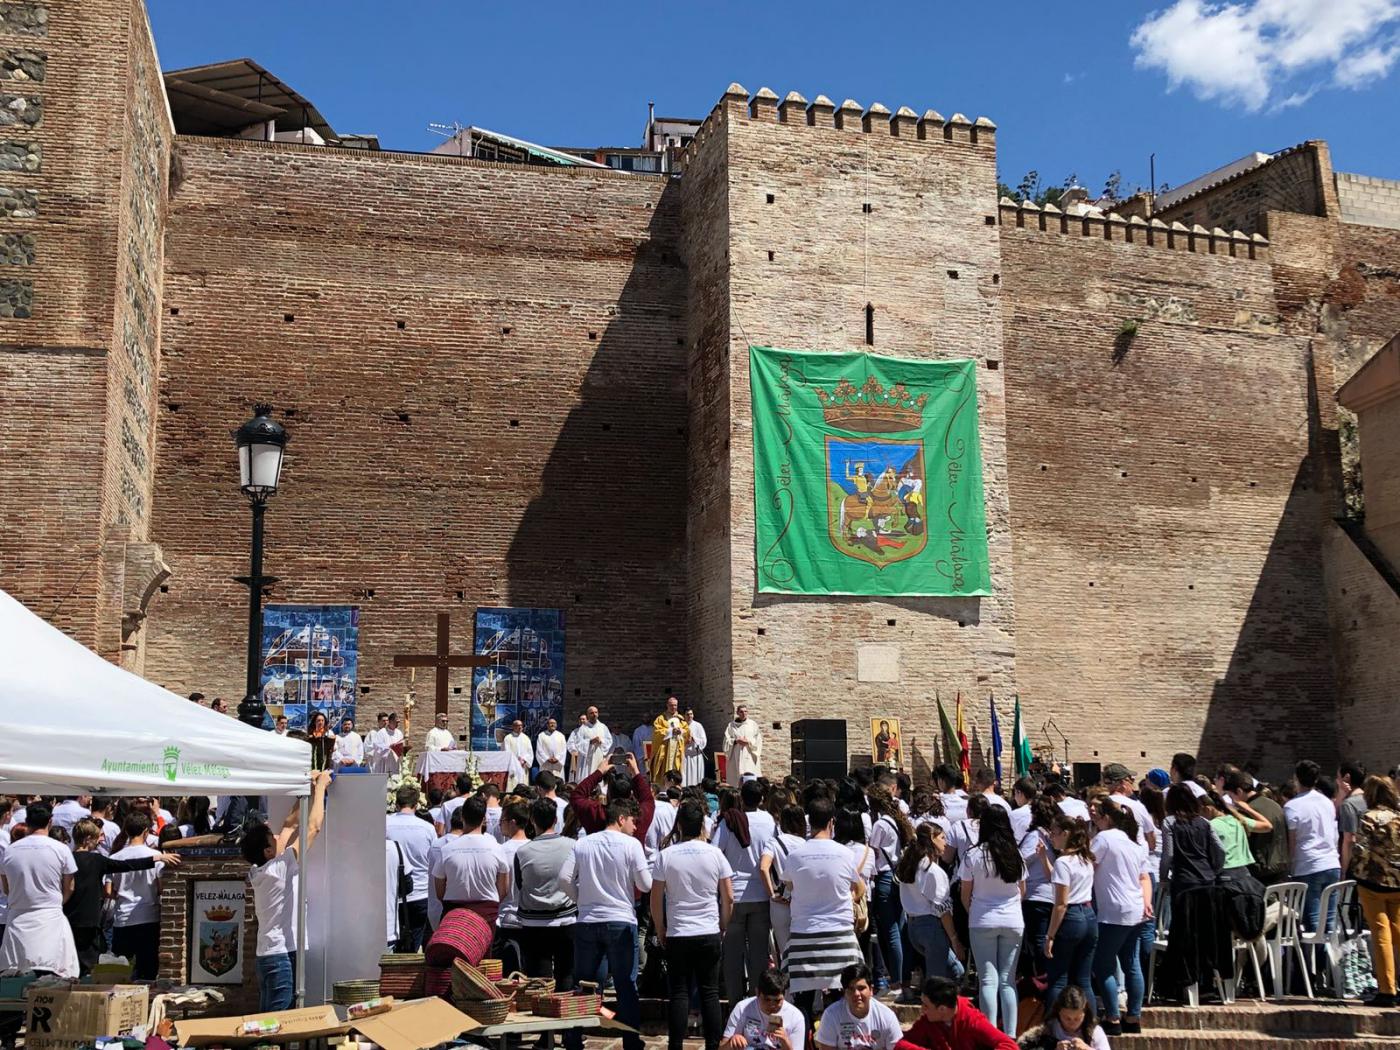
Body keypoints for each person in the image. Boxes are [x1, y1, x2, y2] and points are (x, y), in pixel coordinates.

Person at [560, 797, 652, 1050]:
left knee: (585, 984)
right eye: (633, 821)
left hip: (588, 920)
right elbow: (645, 884)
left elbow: (564, 878)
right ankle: (630, 1039)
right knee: (625, 984)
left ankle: (573, 1036)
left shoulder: (584, 843)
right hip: (620, 920)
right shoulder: (631, 845)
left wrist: (581, 900)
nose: (635, 827)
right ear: (621, 819)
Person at [240, 771, 331, 1011]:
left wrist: (306, 791)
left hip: (270, 953)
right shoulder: (278, 869)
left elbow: (290, 824)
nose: (279, 836)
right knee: (278, 1024)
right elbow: (313, 829)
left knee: (267, 1022)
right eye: (273, 838)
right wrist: (321, 787)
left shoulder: (260, 869)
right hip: (280, 955)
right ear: (268, 852)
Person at [651, 800, 735, 1050]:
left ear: (679, 825)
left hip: (679, 931)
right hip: (708, 930)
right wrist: (722, 924)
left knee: (678, 992)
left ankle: (675, 1045)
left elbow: (656, 899)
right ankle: (712, 1045)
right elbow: (728, 896)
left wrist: (660, 927)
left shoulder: (666, 855)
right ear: (702, 825)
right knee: (709, 992)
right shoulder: (715, 853)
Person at [66, 819, 180, 977]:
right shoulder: (97, 860)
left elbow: (108, 889)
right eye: (97, 837)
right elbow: (128, 865)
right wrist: (157, 858)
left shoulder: (66, 859)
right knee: (144, 970)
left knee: (113, 969)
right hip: (103, 920)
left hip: (75, 919)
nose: (100, 841)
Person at [782, 798, 863, 1005]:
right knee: (840, 1001)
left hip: (804, 935)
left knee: (802, 1004)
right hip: (840, 936)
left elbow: (789, 886)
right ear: (832, 822)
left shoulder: (795, 856)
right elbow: (859, 886)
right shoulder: (846, 854)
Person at [958, 805, 1025, 1036]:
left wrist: (974, 910)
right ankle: (1011, 1035)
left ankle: (988, 1034)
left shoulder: (973, 855)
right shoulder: (1016, 854)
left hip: (982, 919)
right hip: (1013, 919)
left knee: (988, 979)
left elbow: (965, 893)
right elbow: (1021, 890)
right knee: (1008, 980)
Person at [1089, 798, 1150, 1036]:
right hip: (1135, 910)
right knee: (1131, 963)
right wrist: (1147, 902)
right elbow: (1144, 877)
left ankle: (1113, 1017)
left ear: (1106, 818)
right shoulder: (1134, 844)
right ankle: (1134, 1016)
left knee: (1103, 965)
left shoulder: (1103, 839)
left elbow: (1087, 865)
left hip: (1113, 911)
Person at [1160, 783, 1226, 1000]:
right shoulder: (1205, 823)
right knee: (1207, 934)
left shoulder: (1170, 822)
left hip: (1184, 884)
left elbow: (1168, 854)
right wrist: (1213, 870)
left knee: (1184, 935)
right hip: (1207, 883)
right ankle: (1208, 984)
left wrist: (1163, 877)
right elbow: (1220, 850)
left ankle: (1183, 984)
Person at [716, 778, 777, 1002]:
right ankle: (756, 1002)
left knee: (732, 955)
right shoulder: (769, 821)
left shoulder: (729, 821)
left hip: (734, 893)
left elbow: (715, 850)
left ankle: (735, 1004)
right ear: (762, 799)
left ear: (742, 798)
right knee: (759, 955)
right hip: (761, 893)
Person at [0, 803, 79, 977]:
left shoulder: (10, 851)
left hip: (18, 919)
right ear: (50, 822)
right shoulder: (61, 849)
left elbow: (6, 888)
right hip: (50, 917)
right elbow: (70, 886)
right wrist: (57, 902)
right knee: (55, 978)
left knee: (14, 980)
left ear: (27, 822)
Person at [514, 796, 578, 983]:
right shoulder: (572, 846)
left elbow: (520, 884)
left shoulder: (523, 852)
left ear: (532, 821)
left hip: (534, 923)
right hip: (565, 920)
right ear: (556, 820)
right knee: (566, 975)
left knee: (539, 980)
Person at [1351, 775, 1400, 1007]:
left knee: (1381, 935)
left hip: (1373, 883)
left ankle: (1387, 990)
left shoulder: (1369, 819)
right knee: (1399, 934)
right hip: (1398, 883)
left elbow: (1360, 850)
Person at [897, 823, 963, 983]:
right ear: (932, 839)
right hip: (931, 927)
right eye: (942, 838)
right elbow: (943, 909)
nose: (946, 842)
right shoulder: (931, 870)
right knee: (936, 982)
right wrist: (954, 939)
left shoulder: (911, 865)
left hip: (914, 927)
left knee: (956, 971)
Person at [1044, 813, 1096, 1013]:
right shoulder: (1085, 858)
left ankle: (1052, 1026)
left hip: (1071, 917)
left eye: (1054, 833)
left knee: (1058, 979)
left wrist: (1050, 935)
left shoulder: (1063, 862)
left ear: (1065, 834)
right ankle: (1090, 1024)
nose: (1051, 837)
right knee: (1083, 979)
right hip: (1089, 914)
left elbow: (1061, 903)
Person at [867, 783, 915, 996]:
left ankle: (895, 981)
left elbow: (873, 853)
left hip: (885, 878)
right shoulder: (896, 820)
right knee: (900, 927)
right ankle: (904, 979)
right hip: (897, 877)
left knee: (891, 931)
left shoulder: (880, 825)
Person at [1284, 759, 1341, 934]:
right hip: (1331, 863)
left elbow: (1292, 844)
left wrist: (1289, 869)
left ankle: (1316, 961)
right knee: (1329, 924)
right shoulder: (1327, 802)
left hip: (1308, 866)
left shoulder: (1291, 807)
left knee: (1313, 924)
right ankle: (1328, 960)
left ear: (1296, 778)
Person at [109, 812, 167, 979]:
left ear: (126, 831)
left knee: (121, 971)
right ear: (146, 831)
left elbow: (108, 891)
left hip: (122, 919)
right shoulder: (156, 857)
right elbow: (160, 888)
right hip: (149, 918)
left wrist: (121, 894)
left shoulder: (115, 858)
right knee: (147, 971)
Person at [890, 975, 1017, 1050]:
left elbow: (1009, 1045)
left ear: (942, 1009)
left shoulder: (972, 1020)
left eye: (926, 1005)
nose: (922, 1009)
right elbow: (902, 1045)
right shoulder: (928, 1020)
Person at [434, 796, 505, 926]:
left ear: (462, 818)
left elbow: (439, 891)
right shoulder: (498, 849)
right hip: (486, 913)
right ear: (483, 820)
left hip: (454, 913)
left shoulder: (446, 850)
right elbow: (503, 889)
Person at [385, 784, 436, 950]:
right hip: (420, 895)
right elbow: (433, 861)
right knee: (412, 946)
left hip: (391, 894)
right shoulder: (428, 829)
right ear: (416, 805)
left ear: (397, 804)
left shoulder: (384, 824)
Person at [814, 963, 903, 1050]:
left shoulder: (887, 1016)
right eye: (851, 989)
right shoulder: (831, 1015)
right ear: (844, 993)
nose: (856, 994)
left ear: (871, 990)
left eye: (861, 988)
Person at [760, 802, 808, 961]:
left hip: (780, 904)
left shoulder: (774, 842)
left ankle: (787, 984)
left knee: (785, 954)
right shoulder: (806, 844)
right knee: (802, 953)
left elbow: (763, 867)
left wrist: (772, 893)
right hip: (801, 902)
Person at [721, 968, 806, 1050]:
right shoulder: (742, 1008)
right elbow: (721, 1048)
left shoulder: (795, 1016)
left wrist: (785, 1042)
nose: (772, 1005)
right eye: (767, 999)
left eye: (777, 1000)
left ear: (784, 996)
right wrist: (732, 1042)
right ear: (757, 992)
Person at [494, 799, 529, 969]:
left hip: (505, 917)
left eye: (502, 821)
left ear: (513, 822)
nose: (500, 825)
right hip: (530, 917)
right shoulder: (533, 848)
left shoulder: (501, 850)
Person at [1026, 986, 1110, 1050]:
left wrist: (1087, 1048)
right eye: (1067, 1018)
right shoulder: (1048, 1029)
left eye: (1077, 1019)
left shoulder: (1094, 1031)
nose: (1072, 1023)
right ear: (1058, 1012)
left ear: (1085, 1013)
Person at [1337, 759, 1369, 876]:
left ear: (1346, 778)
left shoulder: (1349, 804)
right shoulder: (1370, 799)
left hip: (1356, 864)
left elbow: (1349, 839)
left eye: (1338, 777)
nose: (1337, 781)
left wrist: (1344, 872)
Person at [649, 696, 690, 782]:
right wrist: (671, 731)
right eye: (671, 705)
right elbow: (657, 732)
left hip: (677, 750)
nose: (673, 707)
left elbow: (687, 732)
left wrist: (681, 731)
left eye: (675, 705)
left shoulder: (681, 719)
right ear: (667, 705)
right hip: (665, 750)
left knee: (677, 768)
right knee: (665, 770)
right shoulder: (661, 719)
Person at [723, 705, 763, 785]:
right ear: (737, 712)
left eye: (745, 711)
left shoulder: (752, 724)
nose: (744, 713)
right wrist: (735, 741)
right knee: (735, 781)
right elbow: (726, 741)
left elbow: (758, 739)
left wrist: (748, 742)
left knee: (750, 781)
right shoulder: (731, 726)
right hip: (735, 757)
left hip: (749, 756)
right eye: (741, 711)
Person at [576, 706, 614, 777]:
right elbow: (578, 743)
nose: (594, 714)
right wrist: (590, 742)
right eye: (592, 713)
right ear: (587, 715)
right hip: (587, 759)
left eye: (596, 712)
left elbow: (609, 740)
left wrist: (601, 741)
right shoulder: (583, 728)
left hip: (598, 755)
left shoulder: (603, 727)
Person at [503, 719, 533, 790]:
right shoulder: (508, 738)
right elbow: (506, 752)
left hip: (523, 766)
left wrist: (524, 760)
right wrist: (516, 761)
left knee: (523, 786)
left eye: (521, 725)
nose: (520, 727)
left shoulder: (526, 738)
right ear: (513, 727)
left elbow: (530, 752)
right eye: (517, 725)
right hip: (512, 767)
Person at [684, 708, 708, 787]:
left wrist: (694, 739)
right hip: (685, 756)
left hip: (696, 755)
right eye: (687, 714)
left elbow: (703, 741)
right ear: (684, 716)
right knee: (685, 777)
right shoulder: (682, 726)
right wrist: (685, 741)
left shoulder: (698, 725)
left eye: (691, 714)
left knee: (696, 778)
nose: (689, 716)